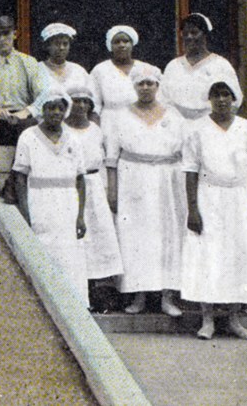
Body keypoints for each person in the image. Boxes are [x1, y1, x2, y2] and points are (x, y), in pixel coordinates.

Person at [181, 80, 247, 340]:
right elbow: (190, 171)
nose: (221, 100)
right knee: (208, 255)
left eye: (226, 95)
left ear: (234, 99)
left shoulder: (246, 129)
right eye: (216, 95)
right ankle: (207, 319)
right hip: (209, 196)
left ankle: (234, 318)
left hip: (240, 198)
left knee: (238, 255)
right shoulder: (197, 129)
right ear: (209, 99)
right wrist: (193, 209)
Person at [105, 63, 187, 316]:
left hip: (166, 180)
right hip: (133, 179)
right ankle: (138, 296)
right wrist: (113, 191)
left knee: (167, 235)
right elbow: (111, 158)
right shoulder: (121, 116)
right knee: (137, 237)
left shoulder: (173, 115)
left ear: (157, 86)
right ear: (134, 86)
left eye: (150, 83)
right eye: (141, 83)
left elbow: (185, 153)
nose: (145, 88)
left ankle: (167, 297)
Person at [11, 88, 89, 306]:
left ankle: (73, 305)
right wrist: (25, 213)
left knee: (70, 255)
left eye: (60, 108)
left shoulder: (73, 138)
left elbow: (80, 180)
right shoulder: (28, 137)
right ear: (42, 110)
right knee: (44, 253)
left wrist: (80, 216)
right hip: (40, 201)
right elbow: (19, 178)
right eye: (50, 107)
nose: (56, 112)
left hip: (67, 203)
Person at [0, 15, 47, 202]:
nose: (2, 39)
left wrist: (26, 111)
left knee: (30, 126)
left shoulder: (29, 62)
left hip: (20, 117)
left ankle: (11, 184)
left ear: (15, 34)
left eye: (6, 34)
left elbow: (42, 95)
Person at [63, 85, 123, 301]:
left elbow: (104, 162)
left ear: (90, 106)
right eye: (75, 101)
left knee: (98, 236)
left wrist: (108, 191)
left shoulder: (97, 131)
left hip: (95, 185)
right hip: (71, 187)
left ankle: (99, 289)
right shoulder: (62, 130)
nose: (80, 105)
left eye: (84, 101)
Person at [162, 13, 242, 121]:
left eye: (194, 32)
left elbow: (234, 102)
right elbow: (163, 99)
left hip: (209, 127)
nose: (189, 37)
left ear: (205, 35)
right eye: (185, 33)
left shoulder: (221, 65)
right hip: (178, 127)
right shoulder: (173, 66)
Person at [90, 25, 145, 130]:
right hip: (110, 124)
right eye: (117, 42)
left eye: (126, 41)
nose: (122, 45)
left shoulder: (144, 68)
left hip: (139, 122)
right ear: (110, 45)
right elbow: (94, 106)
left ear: (132, 43)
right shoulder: (100, 70)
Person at [39, 23, 92, 104]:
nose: (61, 48)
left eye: (65, 44)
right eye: (57, 44)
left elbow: (91, 99)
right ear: (47, 46)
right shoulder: (37, 70)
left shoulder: (79, 71)